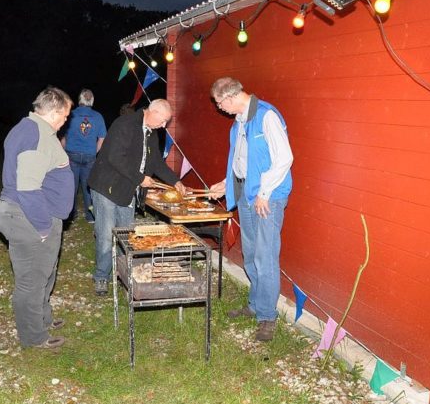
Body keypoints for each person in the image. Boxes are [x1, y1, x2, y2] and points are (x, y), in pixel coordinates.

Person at [208, 77, 293, 342]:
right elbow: (241, 162)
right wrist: (225, 185)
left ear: (232, 97)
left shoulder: (267, 116)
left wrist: (264, 193)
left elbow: (284, 159)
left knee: (265, 257)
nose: (220, 108)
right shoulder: (239, 123)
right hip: (246, 195)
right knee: (252, 254)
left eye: (221, 104)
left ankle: (267, 316)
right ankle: (256, 304)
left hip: (268, 199)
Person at [0, 87, 75, 349]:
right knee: (31, 279)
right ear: (53, 112)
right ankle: (34, 337)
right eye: (65, 115)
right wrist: (42, 226)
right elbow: (27, 187)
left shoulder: (29, 128)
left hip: (31, 213)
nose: (66, 121)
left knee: (44, 272)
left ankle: (42, 319)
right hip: (29, 216)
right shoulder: (36, 133)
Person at [88, 99, 187, 296]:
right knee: (107, 235)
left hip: (128, 188)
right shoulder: (125, 124)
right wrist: (140, 178)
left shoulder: (152, 131)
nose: (164, 125)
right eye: (164, 120)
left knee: (128, 235)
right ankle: (101, 277)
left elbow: (157, 162)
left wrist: (175, 181)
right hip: (106, 186)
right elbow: (115, 157)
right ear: (153, 112)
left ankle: (125, 274)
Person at [60, 89, 106, 223]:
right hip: (89, 156)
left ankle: (69, 216)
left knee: (71, 187)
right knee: (88, 187)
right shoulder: (98, 117)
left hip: (71, 155)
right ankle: (90, 216)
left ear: (80, 100)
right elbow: (102, 139)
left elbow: (62, 137)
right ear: (92, 101)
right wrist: (93, 151)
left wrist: (66, 151)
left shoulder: (71, 115)